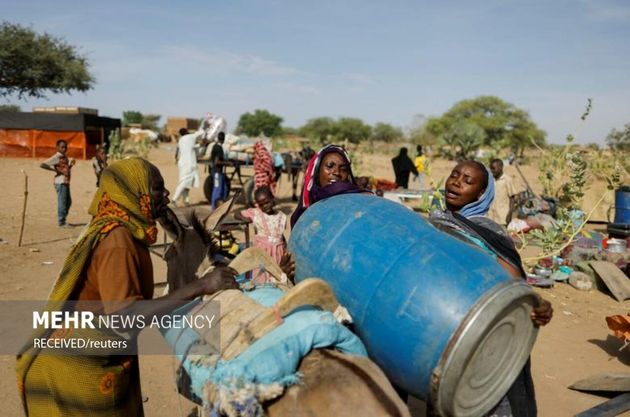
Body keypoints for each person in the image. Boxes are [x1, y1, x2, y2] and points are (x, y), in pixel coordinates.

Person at [17, 157, 238, 417]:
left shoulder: (120, 228)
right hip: (76, 369)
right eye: (157, 188)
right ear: (136, 191)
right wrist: (201, 285)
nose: (166, 194)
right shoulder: (117, 240)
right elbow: (124, 317)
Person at [430, 160, 553, 417]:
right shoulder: (435, 223)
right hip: (440, 329)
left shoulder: (488, 232)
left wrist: (535, 303)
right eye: (455, 174)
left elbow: (514, 282)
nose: (456, 182)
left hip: (477, 332)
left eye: (467, 181)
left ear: (481, 194)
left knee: (483, 399)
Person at [290, 144, 363, 228]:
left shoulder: (356, 202)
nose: (337, 172)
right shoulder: (306, 211)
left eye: (343, 169)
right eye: (330, 166)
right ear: (318, 171)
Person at [235, 186, 287, 284]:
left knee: (278, 280)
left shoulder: (282, 217)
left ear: (272, 198)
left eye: (267, 202)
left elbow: (282, 237)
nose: (265, 206)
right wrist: (244, 219)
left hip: (278, 254)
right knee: (262, 279)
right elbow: (237, 213)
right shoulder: (256, 214)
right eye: (261, 205)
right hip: (263, 254)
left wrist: (285, 249)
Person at [40, 139, 75, 227]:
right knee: (62, 202)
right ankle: (61, 222)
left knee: (68, 202)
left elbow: (65, 170)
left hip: (65, 181)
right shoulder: (57, 157)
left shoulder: (64, 157)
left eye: (65, 147)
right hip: (60, 182)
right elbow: (43, 164)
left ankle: (63, 219)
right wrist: (55, 170)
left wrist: (70, 165)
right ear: (57, 147)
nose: (64, 149)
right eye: (62, 147)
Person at [173, 127, 204, 206]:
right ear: (187, 132)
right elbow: (201, 132)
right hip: (188, 164)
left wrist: (198, 145)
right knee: (184, 183)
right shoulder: (190, 137)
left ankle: (186, 201)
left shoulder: (181, 140)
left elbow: (189, 148)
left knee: (187, 183)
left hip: (183, 164)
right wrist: (204, 127)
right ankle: (174, 199)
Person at [488, 158, 519, 226]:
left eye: (493, 168)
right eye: (491, 168)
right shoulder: (490, 180)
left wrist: (510, 213)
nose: (492, 171)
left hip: (502, 217)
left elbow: (512, 197)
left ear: (500, 167)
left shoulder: (507, 180)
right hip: (491, 215)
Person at [210, 132, 229, 209]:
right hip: (217, 172)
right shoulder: (218, 148)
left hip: (219, 172)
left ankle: (221, 206)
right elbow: (216, 162)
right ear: (223, 139)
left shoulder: (215, 146)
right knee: (217, 190)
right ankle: (214, 208)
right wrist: (227, 163)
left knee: (224, 189)